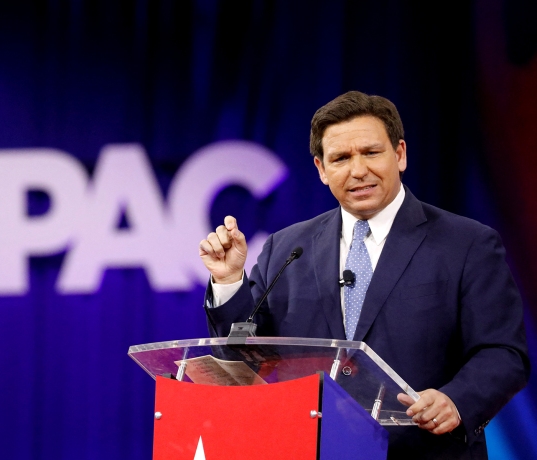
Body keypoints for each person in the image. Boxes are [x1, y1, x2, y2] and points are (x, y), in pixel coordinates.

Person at [198, 91, 529, 459]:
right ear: (322, 170)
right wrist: (229, 281)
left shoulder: (467, 243)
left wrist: (456, 400)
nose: (358, 171)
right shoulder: (286, 248)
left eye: (371, 153)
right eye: (341, 158)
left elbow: (504, 353)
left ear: (399, 154)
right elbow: (243, 358)